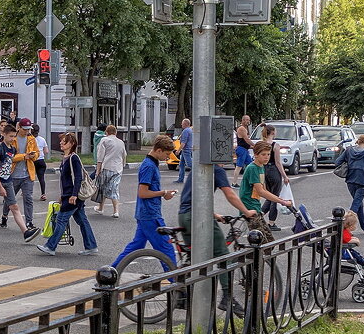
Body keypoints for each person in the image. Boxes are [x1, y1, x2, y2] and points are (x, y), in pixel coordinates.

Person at [175, 163, 257, 316]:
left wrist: (215, 215)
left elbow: (195, 198)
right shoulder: (216, 169)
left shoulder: (199, 166)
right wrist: (246, 212)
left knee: (196, 257)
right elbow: (230, 194)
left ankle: (181, 294)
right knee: (223, 254)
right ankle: (227, 297)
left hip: (185, 216)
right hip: (197, 218)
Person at [111, 135, 179, 269]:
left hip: (146, 214)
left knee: (136, 247)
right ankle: (177, 285)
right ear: (158, 150)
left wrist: (163, 194)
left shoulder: (152, 163)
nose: (168, 157)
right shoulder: (148, 166)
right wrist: (163, 193)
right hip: (150, 215)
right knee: (166, 250)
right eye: (167, 154)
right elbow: (142, 193)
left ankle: (110, 274)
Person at [0, 125, 40, 243]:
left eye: (14, 136)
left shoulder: (12, 149)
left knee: (14, 207)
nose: (13, 139)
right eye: (10, 136)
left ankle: (26, 232)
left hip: (8, 181)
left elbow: (10, 163)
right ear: (3, 134)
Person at [36, 132, 97, 256]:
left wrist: (74, 195)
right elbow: (65, 180)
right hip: (68, 195)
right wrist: (62, 194)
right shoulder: (64, 158)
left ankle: (50, 246)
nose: (61, 143)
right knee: (82, 221)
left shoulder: (74, 158)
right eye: (61, 141)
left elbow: (78, 177)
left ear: (72, 144)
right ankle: (91, 246)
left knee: (61, 220)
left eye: (65, 141)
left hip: (72, 196)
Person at [239, 142, 294, 243]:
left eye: (268, 154)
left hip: (255, 205)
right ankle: (252, 258)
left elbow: (264, 190)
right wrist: (282, 202)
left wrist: (280, 200)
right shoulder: (252, 168)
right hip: (249, 206)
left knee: (268, 241)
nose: (267, 157)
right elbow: (261, 191)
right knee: (262, 242)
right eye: (263, 154)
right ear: (255, 155)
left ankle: (255, 257)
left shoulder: (261, 167)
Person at [0, 119, 39, 230]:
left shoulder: (31, 139)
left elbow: (37, 153)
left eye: (29, 129)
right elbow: (9, 157)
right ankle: (4, 216)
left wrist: (33, 156)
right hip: (13, 175)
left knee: (28, 198)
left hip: (27, 174)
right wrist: (24, 156)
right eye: (25, 129)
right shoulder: (13, 139)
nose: (27, 131)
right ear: (19, 128)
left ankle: (29, 222)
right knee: (10, 200)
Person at [335, 134, 364, 234]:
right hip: (362, 183)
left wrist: (348, 162)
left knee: (358, 204)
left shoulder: (349, 150)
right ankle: (345, 228)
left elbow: (337, 162)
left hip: (350, 181)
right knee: (355, 206)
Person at [257, 124, 291, 231]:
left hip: (264, 170)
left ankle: (259, 216)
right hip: (273, 171)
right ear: (272, 132)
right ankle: (271, 223)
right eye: (275, 131)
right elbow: (278, 162)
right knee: (275, 197)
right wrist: (284, 176)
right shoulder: (275, 145)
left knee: (269, 195)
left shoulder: (261, 144)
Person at [94, 124, 127, 218]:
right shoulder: (121, 142)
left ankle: (100, 208)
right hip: (117, 169)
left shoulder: (104, 140)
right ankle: (116, 211)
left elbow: (100, 157)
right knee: (114, 189)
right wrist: (122, 166)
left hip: (106, 167)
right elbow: (124, 155)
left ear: (106, 132)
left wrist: (98, 170)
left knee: (102, 188)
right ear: (116, 132)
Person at [234, 115, 254, 184]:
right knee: (239, 166)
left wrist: (251, 147)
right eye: (246, 120)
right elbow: (246, 140)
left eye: (249, 120)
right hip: (241, 150)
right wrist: (255, 145)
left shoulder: (246, 128)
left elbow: (246, 142)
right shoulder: (242, 128)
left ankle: (249, 181)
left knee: (250, 165)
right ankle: (234, 182)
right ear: (243, 120)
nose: (248, 121)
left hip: (245, 149)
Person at [32, 124, 48, 201]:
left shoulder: (30, 139)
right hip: (41, 161)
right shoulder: (42, 139)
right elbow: (46, 151)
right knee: (41, 178)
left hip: (32, 161)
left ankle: (27, 192)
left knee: (30, 177)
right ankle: (43, 194)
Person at [176, 118, 193, 184]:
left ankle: (198, 177)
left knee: (190, 164)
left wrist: (178, 150)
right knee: (181, 164)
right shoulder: (190, 130)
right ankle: (180, 179)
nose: (181, 124)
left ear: (185, 124)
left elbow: (183, 142)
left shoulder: (185, 131)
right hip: (187, 149)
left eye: (182, 123)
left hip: (186, 150)